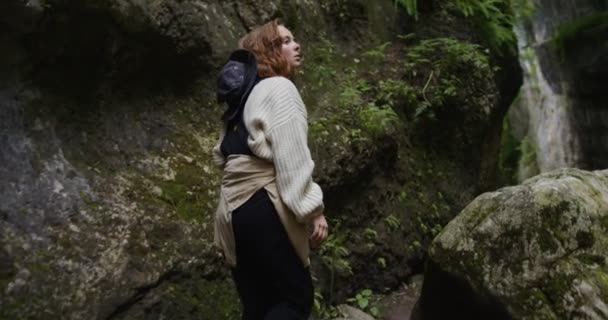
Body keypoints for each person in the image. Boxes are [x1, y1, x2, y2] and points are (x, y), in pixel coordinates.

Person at [212, 19, 329, 320]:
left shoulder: (242, 101)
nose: (296, 45)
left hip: (232, 215)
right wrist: (312, 209)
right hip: (262, 206)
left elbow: (221, 158)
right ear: (268, 52)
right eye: (286, 41)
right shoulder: (279, 89)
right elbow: (291, 160)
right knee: (295, 300)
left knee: (259, 306)